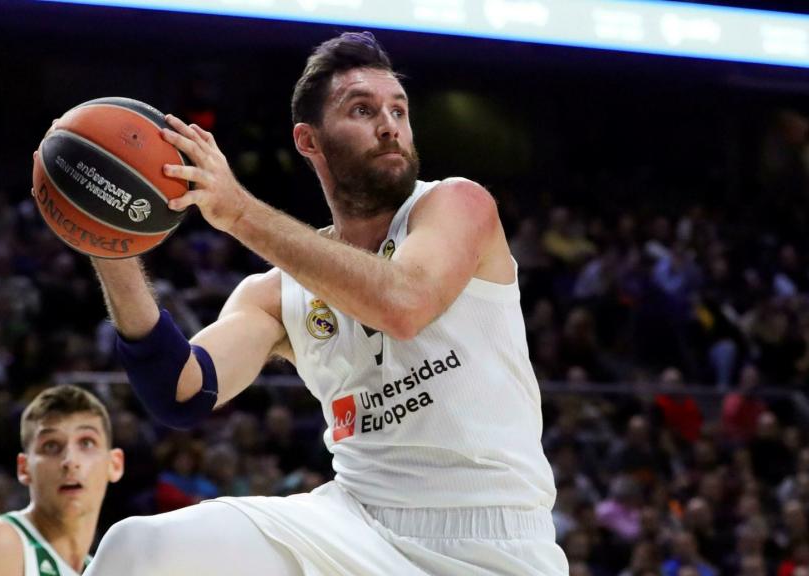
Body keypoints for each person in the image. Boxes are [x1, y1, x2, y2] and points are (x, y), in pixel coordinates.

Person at [85, 31, 567, 575]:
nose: (389, 125)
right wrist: (107, 242)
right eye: (363, 110)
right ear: (309, 141)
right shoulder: (275, 294)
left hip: (494, 541)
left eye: (399, 110)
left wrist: (239, 211)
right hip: (351, 528)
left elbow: (403, 304)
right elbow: (178, 393)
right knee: (136, 548)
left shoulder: (457, 204)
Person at [0, 385, 123, 576]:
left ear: (115, 464)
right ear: (24, 468)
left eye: (86, 443)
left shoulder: (99, 570)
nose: (70, 461)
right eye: (51, 445)